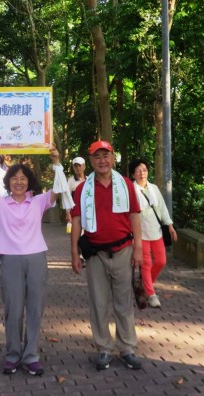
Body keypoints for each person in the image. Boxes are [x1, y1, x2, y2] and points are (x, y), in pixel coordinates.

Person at [0, 146, 62, 377]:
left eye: (23, 179)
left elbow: (59, 189)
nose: (18, 182)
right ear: (8, 182)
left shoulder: (39, 202)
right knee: (13, 309)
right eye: (14, 179)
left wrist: (56, 161)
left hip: (36, 258)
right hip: (10, 259)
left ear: (29, 182)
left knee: (34, 308)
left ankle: (31, 356)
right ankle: (12, 355)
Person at [69, 140, 144, 371]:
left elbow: (134, 215)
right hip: (95, 254)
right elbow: (77, 219)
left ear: (113, 158)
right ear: (91, 161)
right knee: (99, 302)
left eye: (106, 156)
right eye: (97, 157)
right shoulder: (83, 188)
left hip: (123, 250)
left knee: (123, 303)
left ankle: (127, 348)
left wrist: (139, 248)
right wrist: (74, 252)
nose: (102, 161)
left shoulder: (126, 185)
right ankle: (103, 348)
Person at [129, 159, 177, 308]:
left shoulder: (154, 188)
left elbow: (162, 208)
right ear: (133, 174)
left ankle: (145, 284)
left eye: (144, 170)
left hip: (156, 231)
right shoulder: (131, 189)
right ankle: (151, 294)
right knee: (146, 263)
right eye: (138, 170)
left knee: (161, 261)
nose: (142, 173)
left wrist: (170, 225)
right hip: (140, 233)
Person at [65, 156, 86, 224]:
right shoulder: (70, 181)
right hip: (76, 212)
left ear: (84, 166)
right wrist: (68, 212)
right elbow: (67, 197)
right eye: (75, 166)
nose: (77, 168)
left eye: (79, 166)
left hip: (88, 211)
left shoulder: (89, 180)